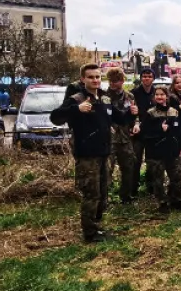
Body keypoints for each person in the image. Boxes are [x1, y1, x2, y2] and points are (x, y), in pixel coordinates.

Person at [50, 63, 137, 242]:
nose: (95, 80)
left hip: (104, 152)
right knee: (91, 193)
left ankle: (96, 225)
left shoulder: (104, 98)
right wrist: (77, 109)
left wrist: (131, 114)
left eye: (97, 77)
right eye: (91, 77)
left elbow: (119, 117)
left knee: (103, 192)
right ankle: (89, 232)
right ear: (83, 79)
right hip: (87, 154)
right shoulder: (77, 99)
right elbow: (56, 117)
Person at [143, 86, 181, 212]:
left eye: (162, 94)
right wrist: (159, 130)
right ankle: (162, 202)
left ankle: (176, 200)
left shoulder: (174, 111)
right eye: (157, 94)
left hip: (172, 150)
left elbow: (179, 131)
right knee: (158, 178)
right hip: (156, 151)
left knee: (176, 176)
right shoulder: (150, 113)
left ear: (167, 96)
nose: (159, 97)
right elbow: (145, 133)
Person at [106, 68, 137, 203]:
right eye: (111, 81)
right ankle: (104, 198)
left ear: (122, 81)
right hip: (109, 139)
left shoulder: (129, 96)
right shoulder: (103, 96)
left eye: (116, 81)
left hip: (125, 138)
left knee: (129, 167)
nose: (113, 84)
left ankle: (126, 196)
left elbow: (133, 116)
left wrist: (136, 123)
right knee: (107, 169)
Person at [130, 68, 156, 198]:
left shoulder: (157, 93)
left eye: (149, 76)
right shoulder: (133, 93)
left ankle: (150, 187)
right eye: (144, 76)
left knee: (151, 161)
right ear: (141, 78)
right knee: (136, 162)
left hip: (152, 134)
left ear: (153, 78)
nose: (146, 78)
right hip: (138, 134)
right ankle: (133, 189)